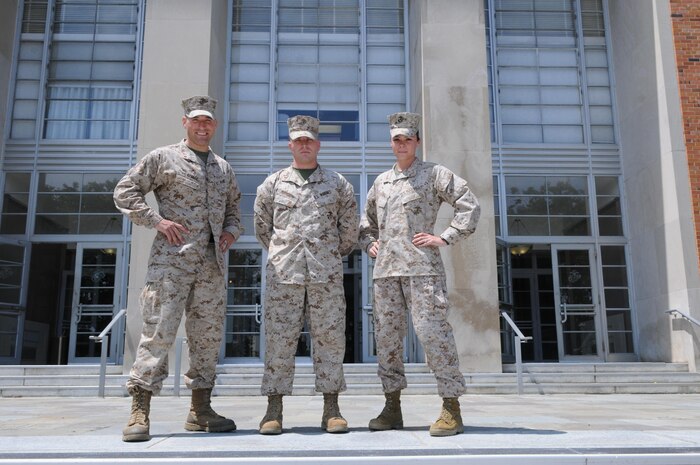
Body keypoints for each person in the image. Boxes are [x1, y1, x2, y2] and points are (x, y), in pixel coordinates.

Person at [113, 96, 242, 442]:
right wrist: (156, 220)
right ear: (184, 122)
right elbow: (125, 192)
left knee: (207, 339)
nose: (203, 126)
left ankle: (200, 411)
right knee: (158, 335)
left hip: (211, 269)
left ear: (214, 125)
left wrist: (230, 231)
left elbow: (234, 208)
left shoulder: (222, 167)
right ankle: (140, 411)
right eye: (196, 120)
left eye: (209, 121)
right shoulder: (163, 157)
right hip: (170, 265)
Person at [359, 112, 480, 436]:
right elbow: (366, 223)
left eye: (407, 139)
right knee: (386, 341)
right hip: (386, 274)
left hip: (422, 271)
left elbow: (468, 204)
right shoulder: (381, 182)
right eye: (397, 139)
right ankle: (391, 407)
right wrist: (370, 243)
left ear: (417, 142)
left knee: (433, 335)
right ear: (391, 143)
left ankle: (451, 407)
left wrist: (445, 236)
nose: (402, 144)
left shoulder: (433, 174)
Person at [253, 115, 358, 435]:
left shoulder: (338, 183)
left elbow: (349, 230)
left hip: (325, 275)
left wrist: (326, 253)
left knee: (330, 341)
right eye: (298, 140)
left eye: (309, 140)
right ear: (290, 144)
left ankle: (332, 407)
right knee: (279, 342)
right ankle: (273, 408)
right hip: (284, 275)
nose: (304, 145)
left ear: (318, 144)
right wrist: (286, 251)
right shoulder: (272, 184)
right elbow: (262, 228)